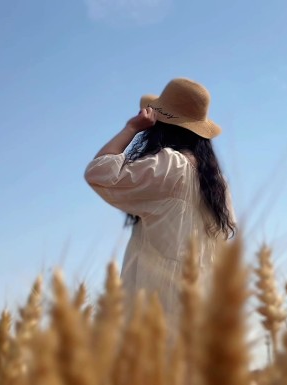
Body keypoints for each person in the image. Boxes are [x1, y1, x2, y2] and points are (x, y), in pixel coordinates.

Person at [84, 77, 236, 331]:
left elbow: (98, 173)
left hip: (156, 320)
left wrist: (131, 128)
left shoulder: (170, 166)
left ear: (160, 125)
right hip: (201, 321)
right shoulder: (218, 186)